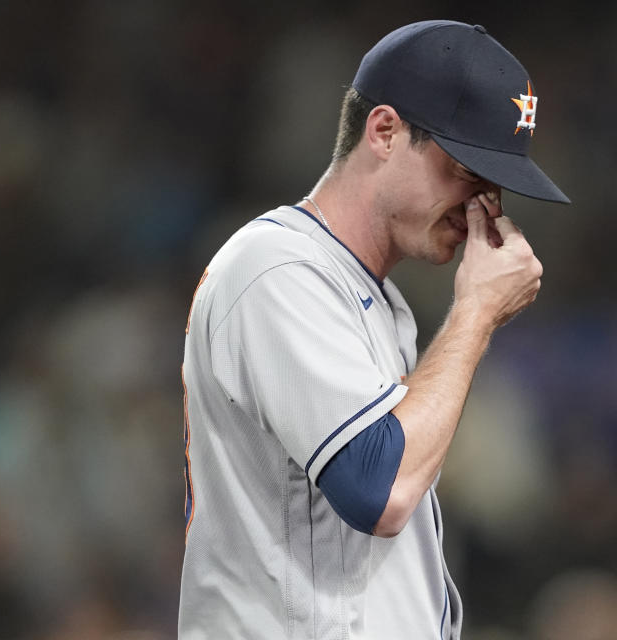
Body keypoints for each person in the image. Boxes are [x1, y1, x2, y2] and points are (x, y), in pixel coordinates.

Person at [178, 20, 569, 639]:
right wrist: (474, 313)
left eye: (497, 184)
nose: (484, 205)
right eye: (467, 170)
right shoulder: (276, 268)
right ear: (384, 131)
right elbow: (378, 491)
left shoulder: (374, 299)